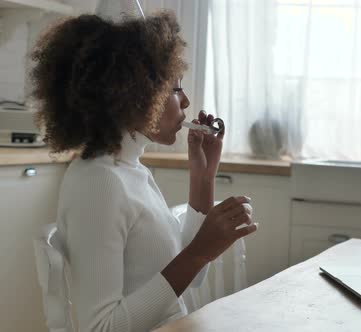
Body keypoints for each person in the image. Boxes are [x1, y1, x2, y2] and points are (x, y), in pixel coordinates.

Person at [30, 12, 257, 331]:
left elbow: (192, 275)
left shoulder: (130, 169)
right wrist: (196, 252)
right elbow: (101, 327)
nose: (186, 101)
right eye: (175, 89)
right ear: (134, 94)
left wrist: (203, 176)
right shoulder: (98, 183)